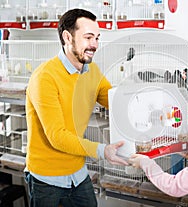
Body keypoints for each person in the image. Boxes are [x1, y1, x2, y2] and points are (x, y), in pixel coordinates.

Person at [25, 8, 128, 207]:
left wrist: (145, 102)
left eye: (97, 38)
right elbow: (57, 136)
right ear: (67, 37)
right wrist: (102, 150)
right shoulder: (45, 77)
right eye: (88, 37)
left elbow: (115, 101)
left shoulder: (92, 72)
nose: (94, 45)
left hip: (78, 174)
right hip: (46, 179)